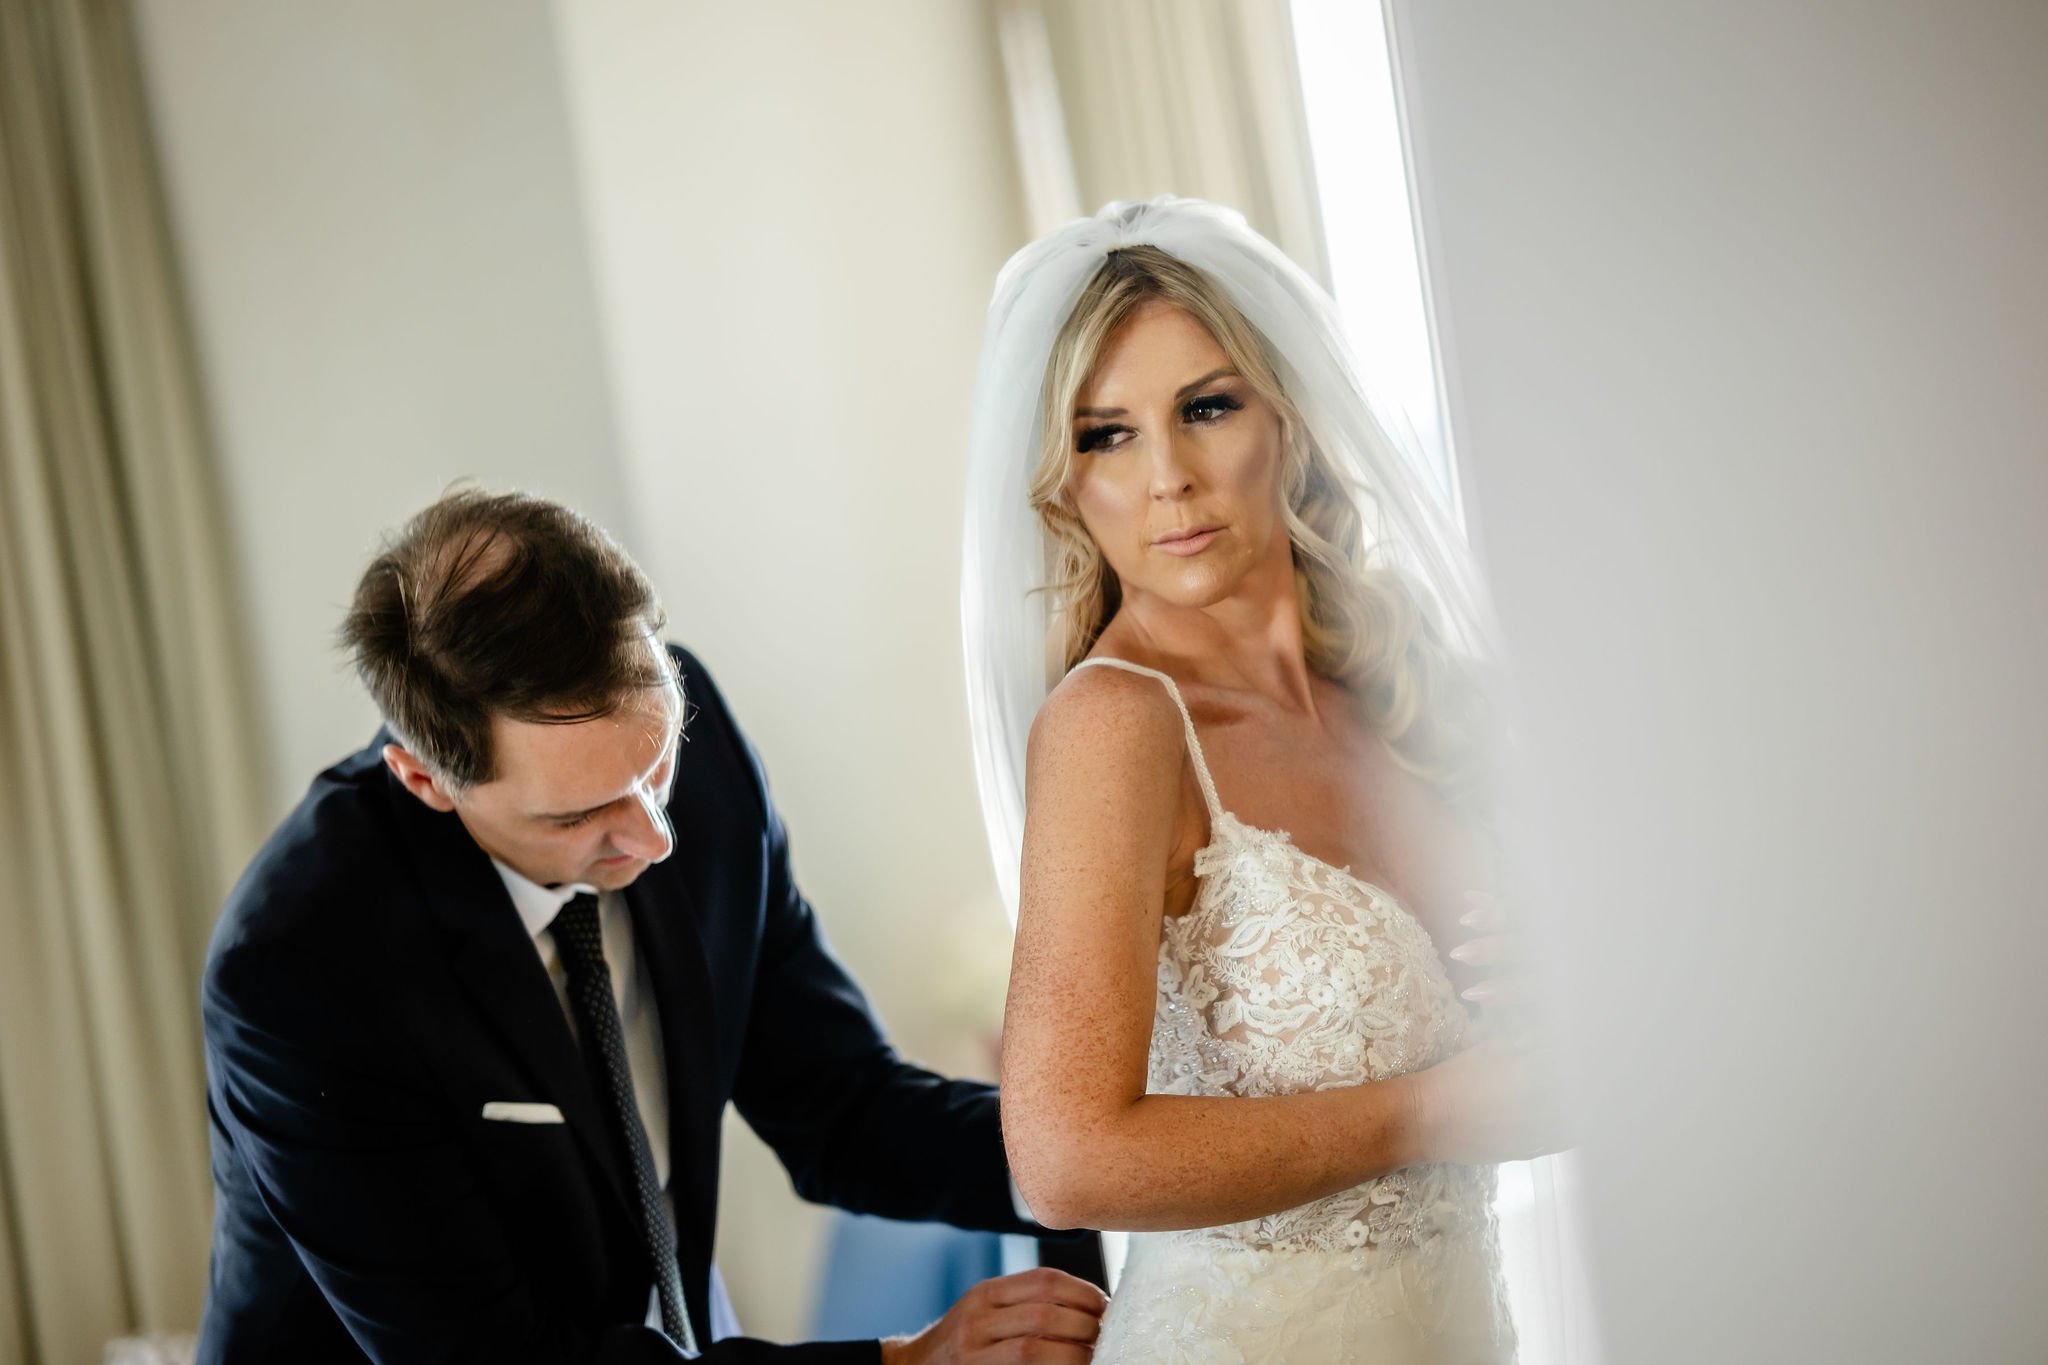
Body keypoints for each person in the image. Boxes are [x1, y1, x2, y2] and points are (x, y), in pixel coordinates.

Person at [198, 490, 1106, 1363]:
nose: (653, 837)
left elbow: (842, 1110)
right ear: (426, 780)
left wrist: (1122, 1161)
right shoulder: (299, 967)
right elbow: (491, 1358)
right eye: (575, 817)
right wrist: (903, 1363)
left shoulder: (695, 751)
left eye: (657, 763)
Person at [960, 199, 1563, 1361]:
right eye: (1105, 435)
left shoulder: (1405, 697)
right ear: (1062, 480)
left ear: (1286, 418)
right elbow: (1063, 1161)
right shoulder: (1116, 727)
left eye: (1204, 407)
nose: (1168, 477)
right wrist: (1435, 1113)